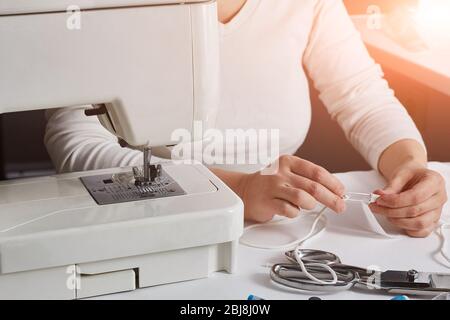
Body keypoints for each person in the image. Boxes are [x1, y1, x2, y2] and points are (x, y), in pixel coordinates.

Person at [45, 0, 447, 238]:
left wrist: (411, 168)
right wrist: (237, 188)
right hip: (146, 221)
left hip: (281, 228)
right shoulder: (107, 9)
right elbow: (76, 142)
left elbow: (364, 97)